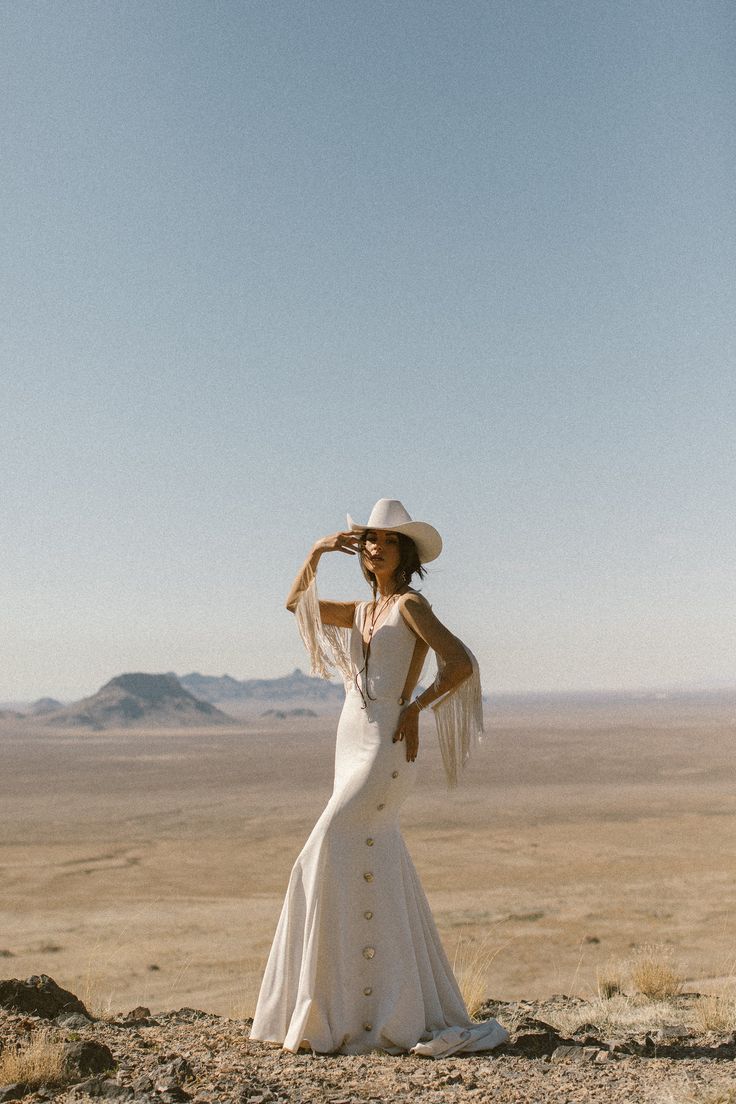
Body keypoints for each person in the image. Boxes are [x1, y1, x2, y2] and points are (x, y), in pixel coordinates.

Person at [249, 499, 509, 1057]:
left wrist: (416, 707)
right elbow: (297, 603)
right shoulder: (363, 611)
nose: (376, 547)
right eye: (369, 539)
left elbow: (460, 662)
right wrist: (317, 550)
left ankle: (351, 1006)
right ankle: (365, 1008)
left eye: (388, 541)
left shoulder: (410, 605)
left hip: (386, 741)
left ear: (405, 553)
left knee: (324, 848)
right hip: (350, 736)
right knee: (365, 855)